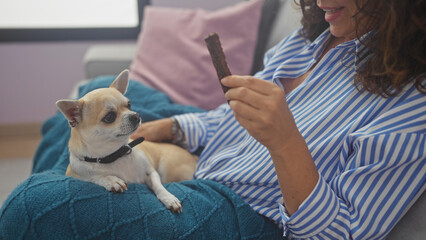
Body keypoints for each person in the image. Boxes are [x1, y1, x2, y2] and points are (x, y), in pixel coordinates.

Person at [130, 0, 426, 238]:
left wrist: (285, 142)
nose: (320, 2)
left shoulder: (412, 107)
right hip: (202, 165)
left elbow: (343, 232)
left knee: (83, 201)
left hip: (240, 215)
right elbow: (235, 120)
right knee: (105, 90)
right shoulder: (311, 37)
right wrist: (172, 127)